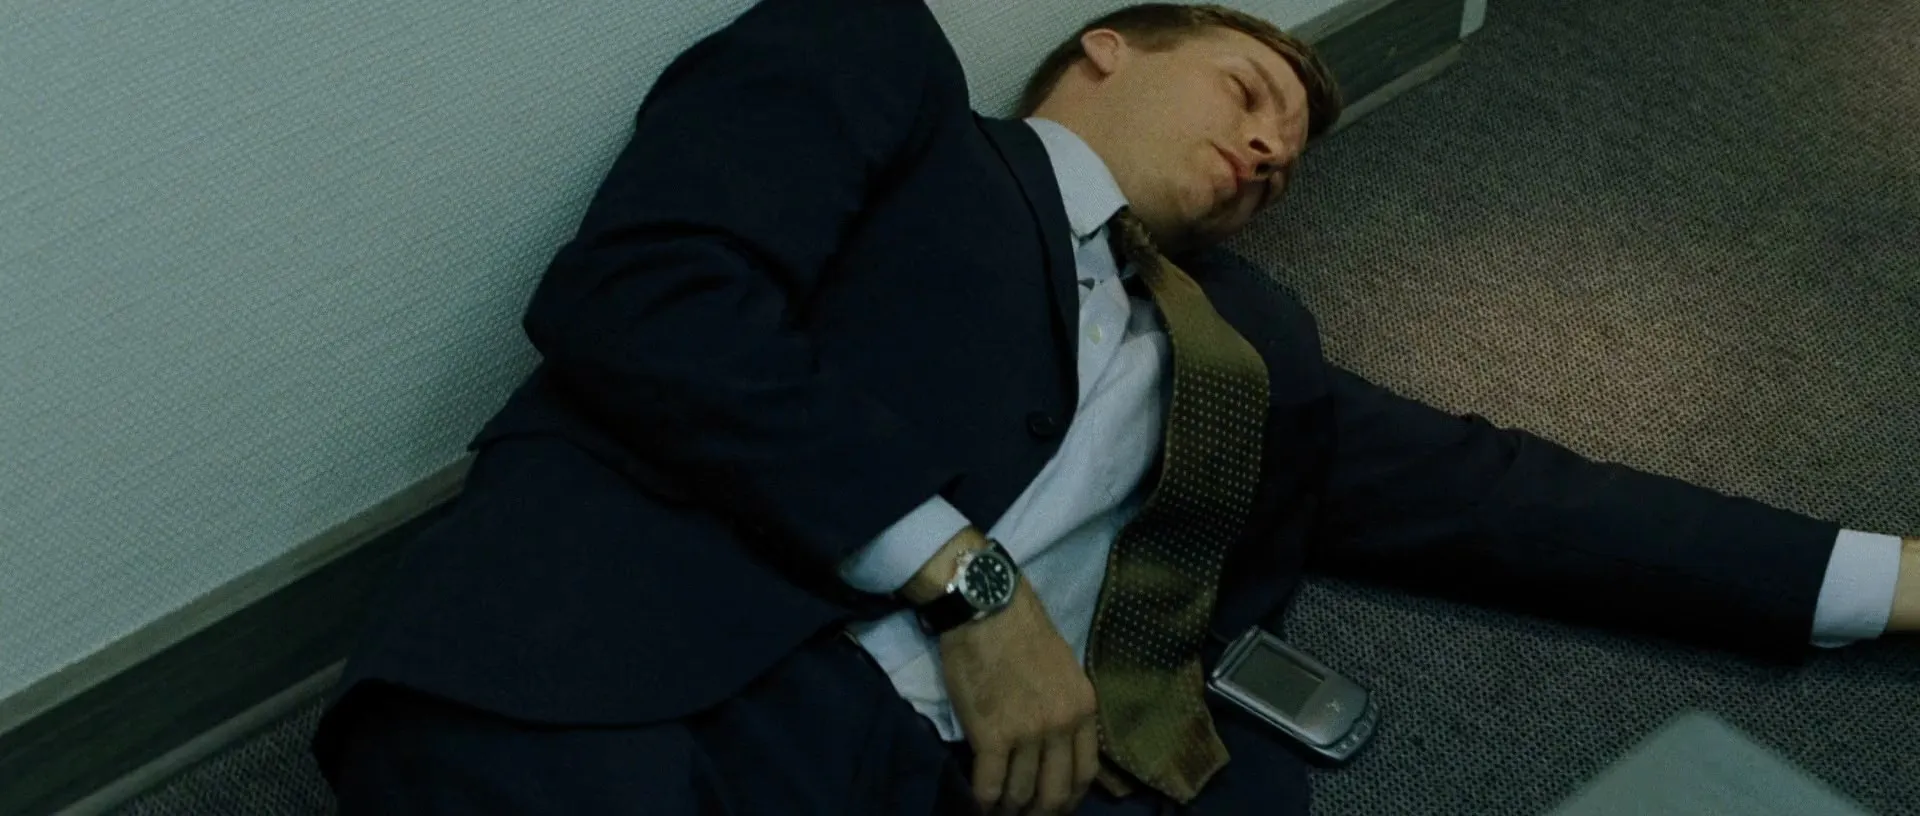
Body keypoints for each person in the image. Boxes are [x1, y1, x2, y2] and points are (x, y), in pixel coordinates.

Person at [310, 0, 1920, 813]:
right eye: (1248, 90)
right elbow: (644, 293)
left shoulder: (1243, 353)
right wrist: (965, 577)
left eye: (1288, 165)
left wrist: (1896, 579)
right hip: (646, 687)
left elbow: (1512, 498)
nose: (1271, 152)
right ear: (1101, 50)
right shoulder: (886, 85)